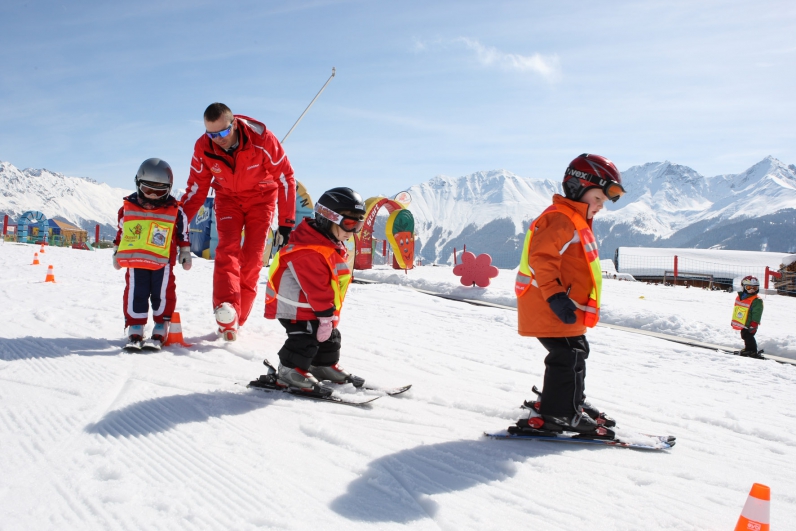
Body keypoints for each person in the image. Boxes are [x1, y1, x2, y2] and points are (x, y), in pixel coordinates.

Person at [511, 154, 625, 440]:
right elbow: (542, 259)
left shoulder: (575, 219)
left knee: (576, 351)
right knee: (567, 354)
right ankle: (558, 411)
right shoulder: (560, 219)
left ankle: (569, 402)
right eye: (598, 198)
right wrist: (555, 296)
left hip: (563, 304)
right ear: (579, 187)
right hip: (550, 303)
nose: (601, 206)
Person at [180, 103, 296, 341]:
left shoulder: (262, 140)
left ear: (233, 124)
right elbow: (195, 189)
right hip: (228, 199)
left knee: (253, 257)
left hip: (261, 199)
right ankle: (226, 309)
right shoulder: (204, 147)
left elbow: (285, 178)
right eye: (211, 135)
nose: (218, 139)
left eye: (222, 133)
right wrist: (176, 224)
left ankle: (238, 317)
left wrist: (286, 223)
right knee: (227, 250)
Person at [250, 187, 367, 397]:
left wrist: (328, 317)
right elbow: (317, 288)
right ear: (327, 218)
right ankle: (289, 371)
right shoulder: (308, 249)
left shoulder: (327, 244)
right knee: (305, 338)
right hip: (296, 307)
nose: (353, 231)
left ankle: (322, 366)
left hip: (313, 307)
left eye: (358, 224)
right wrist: (325, 315)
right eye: (349, 223)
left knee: (330, 337)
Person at [113, 159, 192, 349]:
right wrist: (117, 251)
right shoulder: (128, 208)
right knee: (135, 292)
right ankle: (136, 325)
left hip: (162, 261)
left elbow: (183, 232)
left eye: (160, 192)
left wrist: (185, 252)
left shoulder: (176, 210)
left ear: (169, 189)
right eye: (148, 190)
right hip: (135, 259)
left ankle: (161, 324)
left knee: (163, 292)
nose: (153, 197)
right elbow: (122, 231)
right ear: (138, 184)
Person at [731, 276, 764, 358]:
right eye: (749, 287)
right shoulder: (743, 297)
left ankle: (752, 350)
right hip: (744, 322)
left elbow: (757, 313)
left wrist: (754, 323)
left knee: (748, 336)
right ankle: (748, 349)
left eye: (755, 288)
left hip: (750, 323)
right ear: (744, 287)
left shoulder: (757, 301)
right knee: (744, 335)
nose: (752, 290)